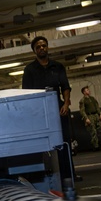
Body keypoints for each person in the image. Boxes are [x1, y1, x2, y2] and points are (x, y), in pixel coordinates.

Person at [21, 35, 77, 182]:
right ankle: (48, 178)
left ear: (47, 47)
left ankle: (69, 175)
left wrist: (65, 104)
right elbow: (26, 94)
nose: (41, 48)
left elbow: (65, 87)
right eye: (38, 47)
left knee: (64, 142)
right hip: (39, 113)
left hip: (58, 109)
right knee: (44, 146)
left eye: (43, 46)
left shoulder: (58, 67)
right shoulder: (29, 70)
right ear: (34, 50)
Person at [79, 86, 101, 151]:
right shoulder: (83, 100)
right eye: (87, 90)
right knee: (93, 131)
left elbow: (97, 106)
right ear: (84, 92)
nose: (89, 91)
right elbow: (82, 110)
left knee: (100, 129)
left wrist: (100, 113)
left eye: (88, 90)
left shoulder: (92, 98)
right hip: (90, 116)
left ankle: (97, 142)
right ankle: (95, 146)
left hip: (96, 115)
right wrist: (86, 118)